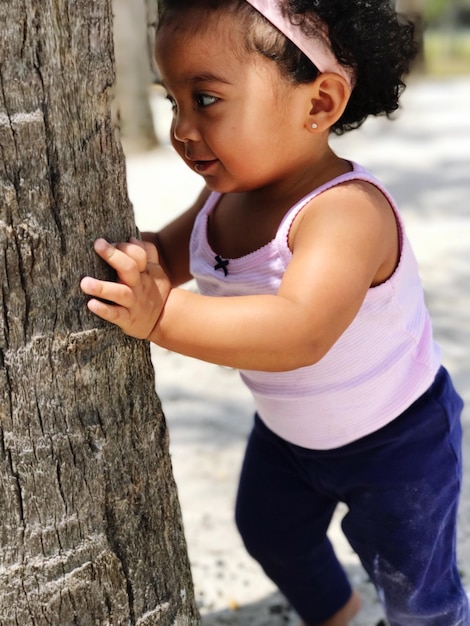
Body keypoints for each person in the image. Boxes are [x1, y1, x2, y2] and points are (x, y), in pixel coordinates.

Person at [80, 1, 469, 624]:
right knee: (269, 532)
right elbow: (171, 253)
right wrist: (135, 261)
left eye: (205, 100)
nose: (181, 127)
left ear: (318, 103)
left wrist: (159, 318)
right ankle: (339, 615)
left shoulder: (346, 213)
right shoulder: (222, 200)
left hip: (400, 442)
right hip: (291, 438)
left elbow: (298, 332)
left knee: (415, 587)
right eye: (173, 101)